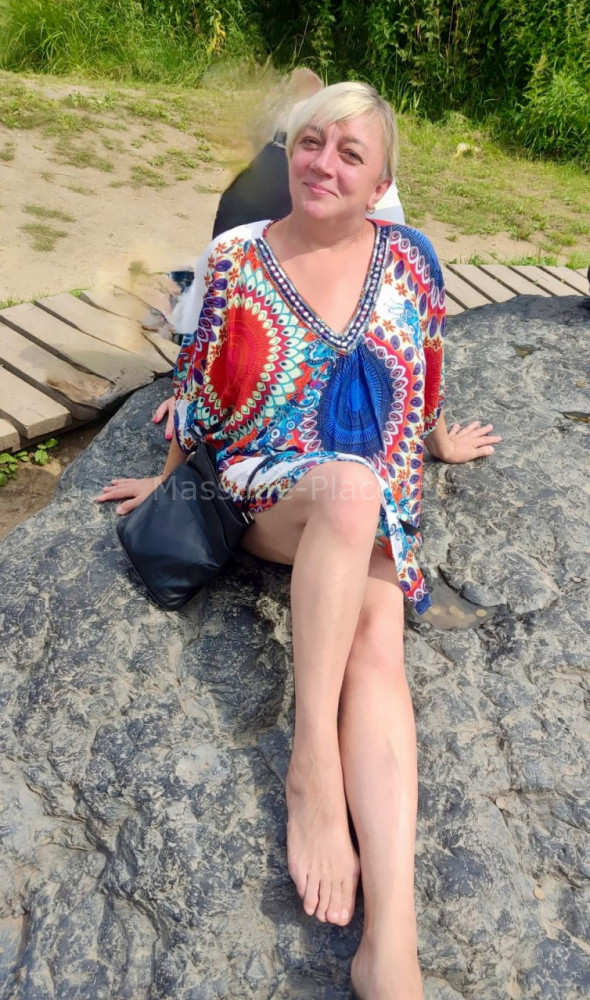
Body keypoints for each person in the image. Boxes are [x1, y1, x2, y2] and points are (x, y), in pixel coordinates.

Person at [97, 82, 500, 999]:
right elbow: (199, 386)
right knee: (350, 492)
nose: (323, 163)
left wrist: (438, 441)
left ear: (381, 183)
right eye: (311, 143)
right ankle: (311, 768)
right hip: (272, 488)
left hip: (374, 503)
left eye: (350, 154)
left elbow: (426, 362)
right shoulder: (238, 257)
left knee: (378, 642)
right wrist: (168, 481)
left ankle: (390, 945)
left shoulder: (411, 260)